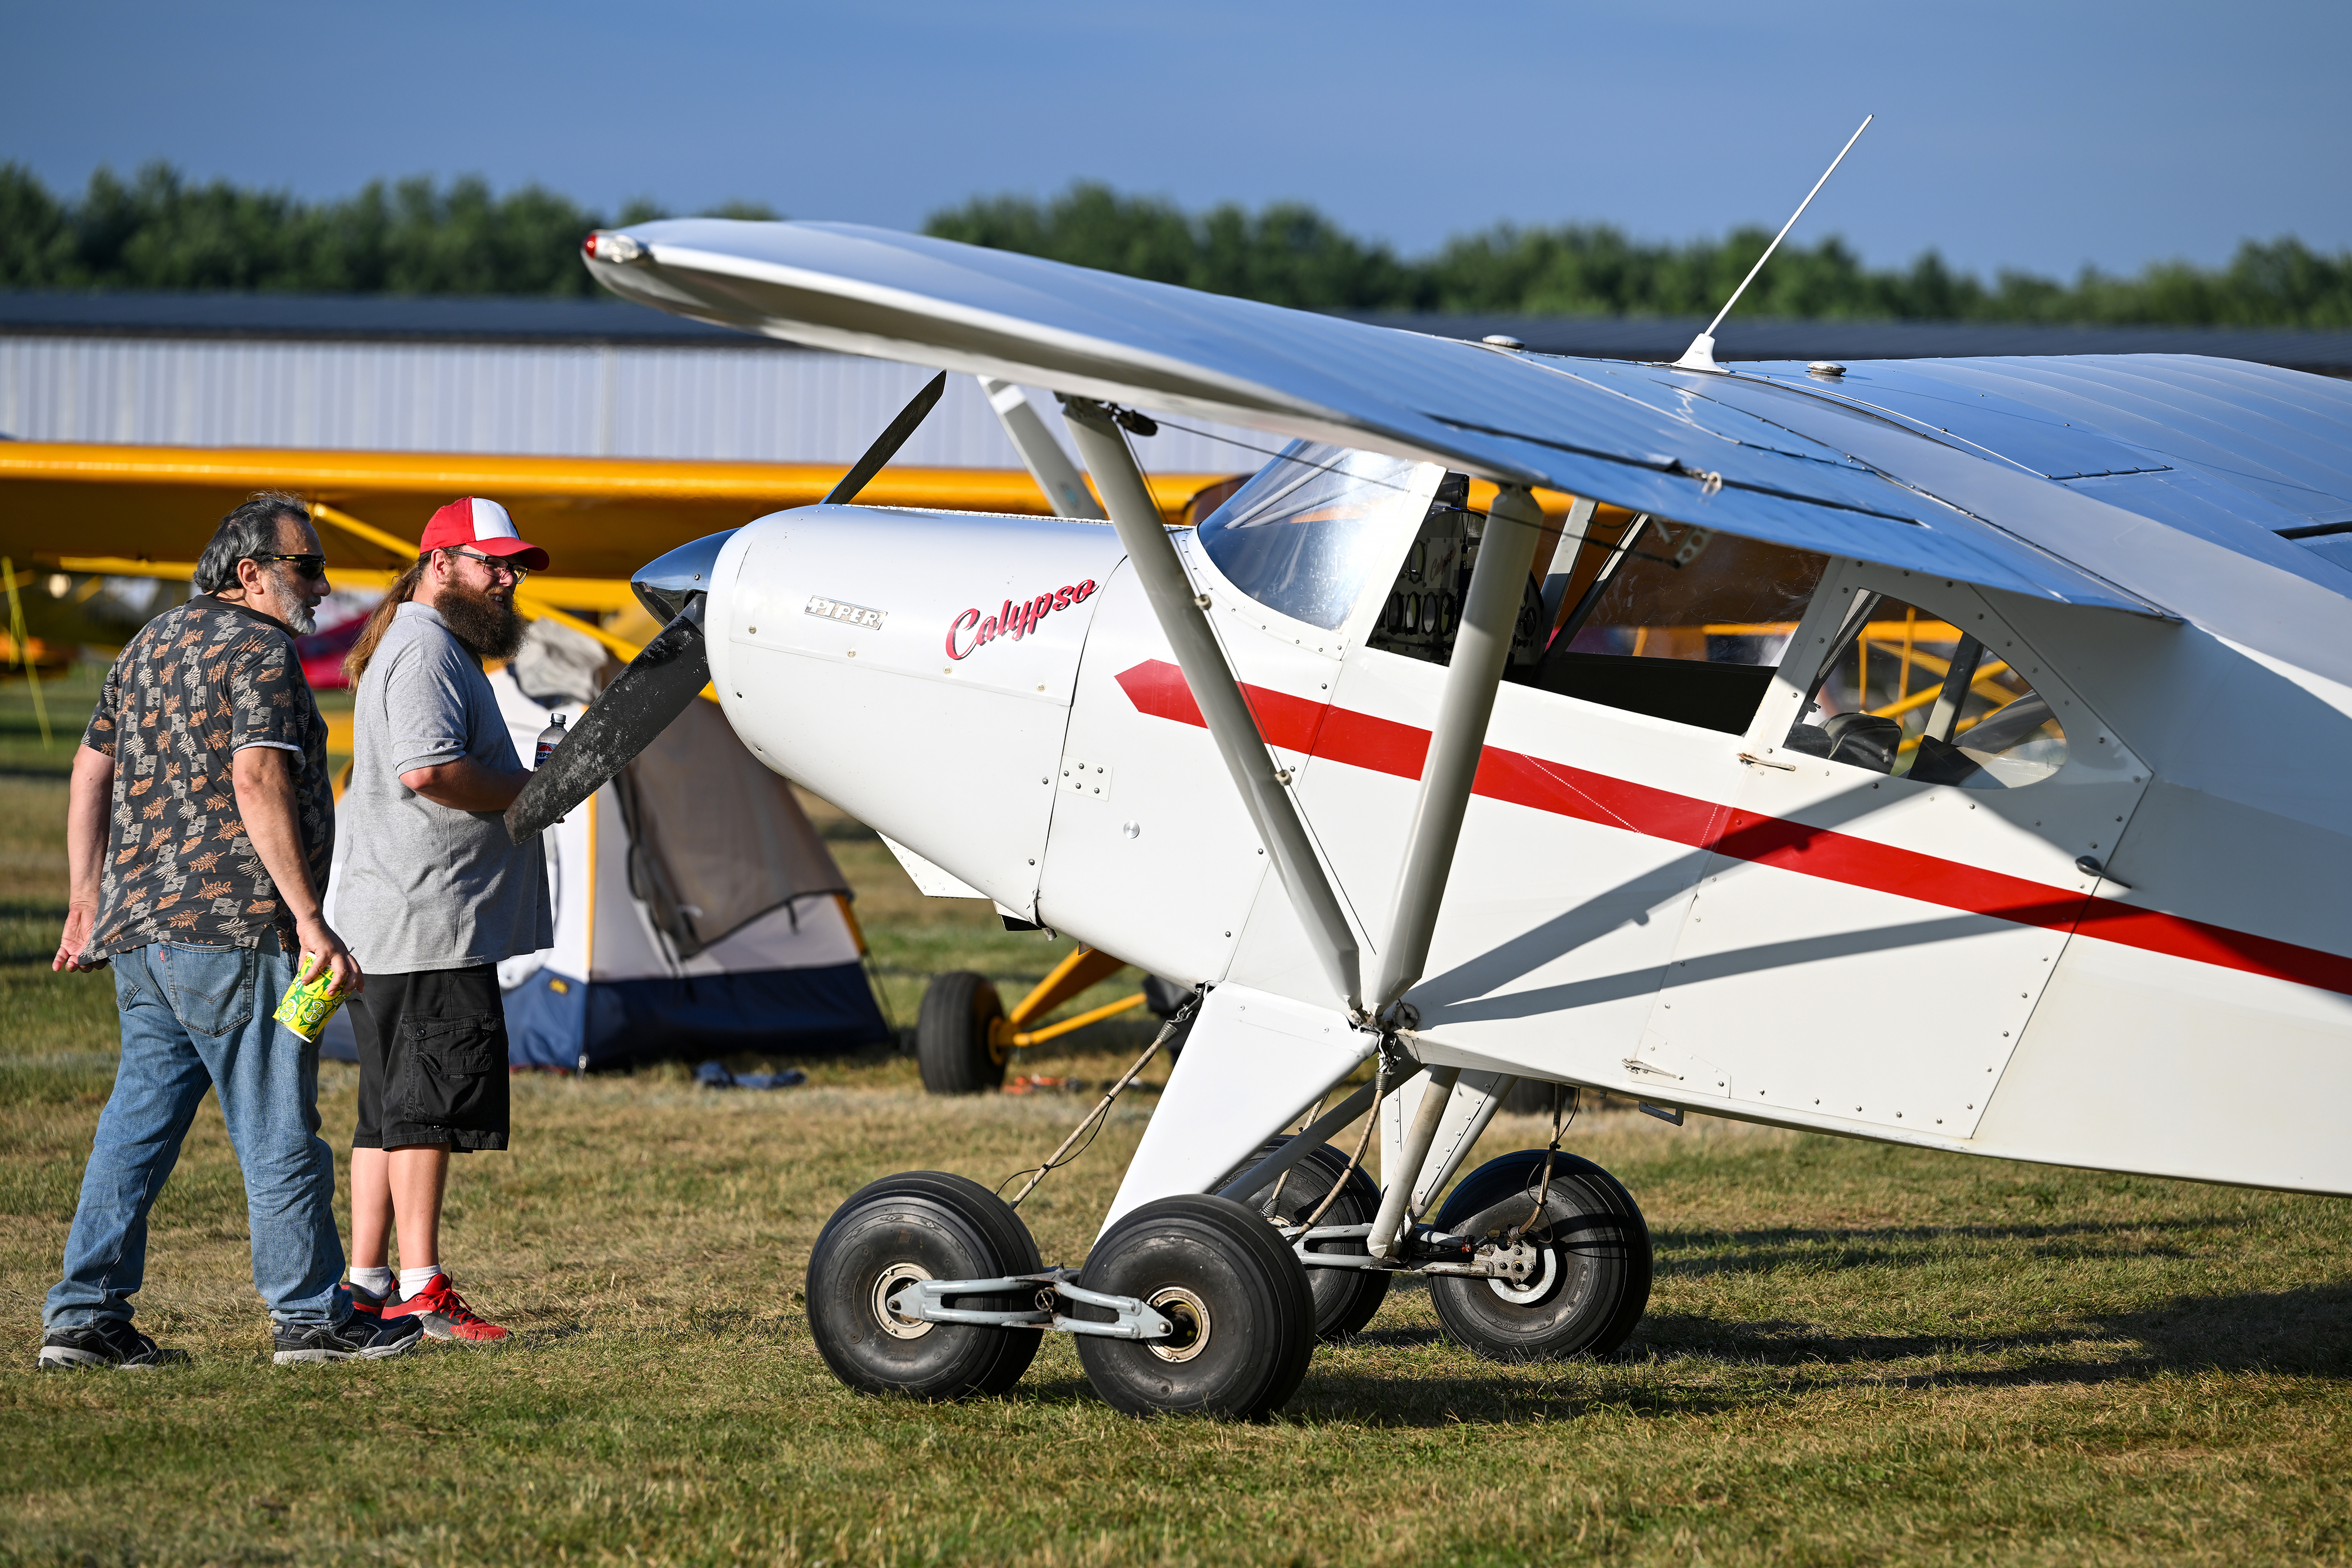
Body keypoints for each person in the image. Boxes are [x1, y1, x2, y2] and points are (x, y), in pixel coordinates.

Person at [41, 493, 425, 1368]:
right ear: (249, 573)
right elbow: (257, 779)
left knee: (134, 1130)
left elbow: (88, 767)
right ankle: (311, 1318)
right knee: (280, 1125)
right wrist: (309, 919)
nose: (324, 587)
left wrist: (84, 899)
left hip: (143, 937)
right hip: (235, 933)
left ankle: (83, 1318)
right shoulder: (262, 651)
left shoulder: (151, 643)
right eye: (307, 566)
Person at [334, 496, 552, 1345]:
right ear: (439, 564)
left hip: (396, 916)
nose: (507, 579)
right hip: (429, 918)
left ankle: (365, 1283)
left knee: (385, 1113)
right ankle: (420, 1291)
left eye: (513, 566)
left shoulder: (424, 644)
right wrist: (536, 793)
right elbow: (429, 771)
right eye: (490, 562)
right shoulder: (425, 651)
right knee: (425, 1112)